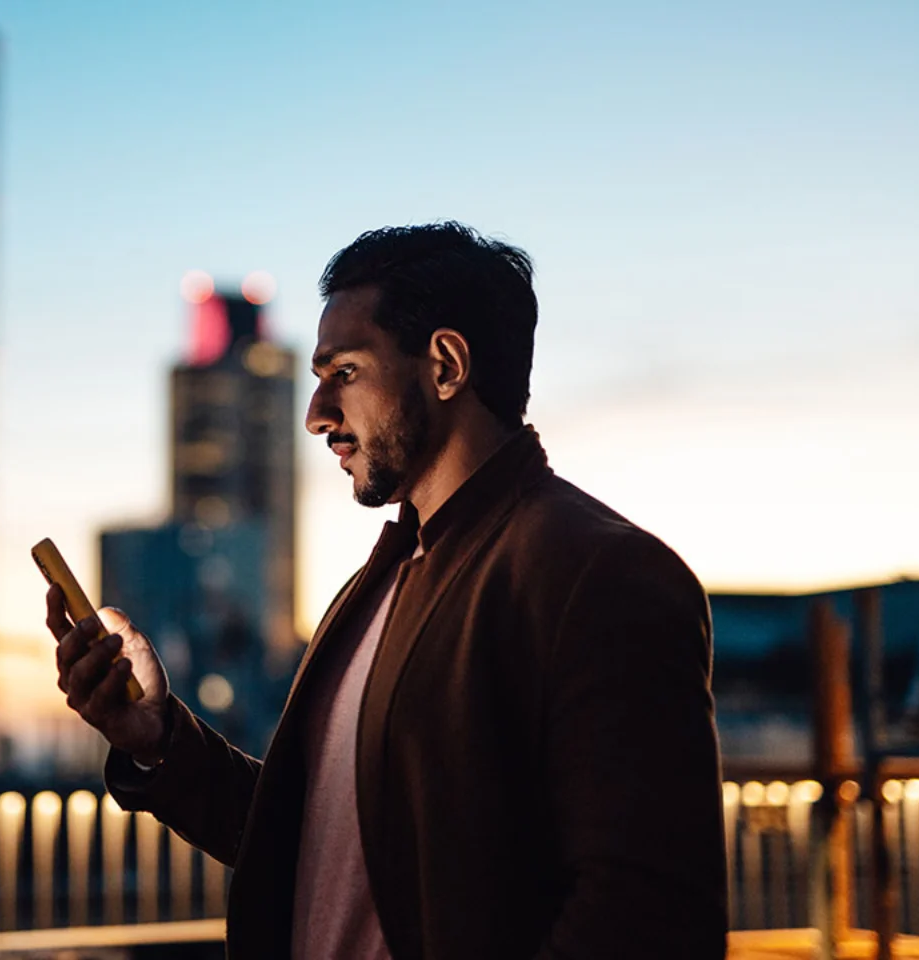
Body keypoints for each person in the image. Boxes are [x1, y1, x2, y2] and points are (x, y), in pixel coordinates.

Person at [46, 222, 729, 958]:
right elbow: (314, 839)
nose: (317, 416)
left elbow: (649, 919)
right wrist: (157, 738)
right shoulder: (378, 586)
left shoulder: (601, 577)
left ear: (444, 365)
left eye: (343, 373)